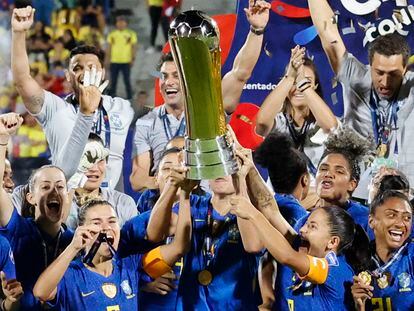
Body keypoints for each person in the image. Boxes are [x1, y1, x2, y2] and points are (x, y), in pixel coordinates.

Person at [131, 0, 271, 192]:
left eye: (176, 75)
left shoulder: (210, 106)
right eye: (164, 76)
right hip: (164, 204)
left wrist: (256, 30)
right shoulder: (147, 122)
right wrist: (173, 181)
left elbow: (241, 72)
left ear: (188, 74)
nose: (169, 82)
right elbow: (137, 180)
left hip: (209, 203)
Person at [11, 6, 134, 189]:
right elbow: (22, 81)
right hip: (68, 208)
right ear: (68, 77)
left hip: (108, 210)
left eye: (92, 67)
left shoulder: (122, 108)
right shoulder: (55, 109)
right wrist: (19, 33)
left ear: (103, 73)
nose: (84, 72)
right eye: (77, 68)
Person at [307, 0, 414, 187]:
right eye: (379, 72)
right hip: (358, 192)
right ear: (370, 65)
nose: (385, 82)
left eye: (393, 74)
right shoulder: (357, 77)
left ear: (405, 69)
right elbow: (328, 36)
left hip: (408, 193)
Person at [146, 147, 264, 310]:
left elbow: (253, 246)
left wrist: (240, 182)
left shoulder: (253, 211)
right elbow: (154, 233)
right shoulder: (193, 203)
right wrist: (174, 186)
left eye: (227, 164)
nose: (220, 171)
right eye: (214, 164)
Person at [32, 193, 192, 309]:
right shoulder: (72, 273)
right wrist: (73, 247)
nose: (106, 227)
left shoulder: (132, 266)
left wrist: (185, 196)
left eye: (112, 221)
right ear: (82, 229)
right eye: (96, 222)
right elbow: (41, 292)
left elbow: (179, 247)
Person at [230, 199, 370, 310]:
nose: (302, 229)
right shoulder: (304, 248)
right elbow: (270, 209)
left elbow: (286, 256)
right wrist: (250, 170)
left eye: (312, 226)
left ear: (332, 242)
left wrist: (253, 214)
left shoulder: (335, 269)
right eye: (306, 223)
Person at [0, 112, 73, 310]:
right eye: (46, 186)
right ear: (30, 197)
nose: (54, 191)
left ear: (68, 196)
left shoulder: (76, 242)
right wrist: (2, 139)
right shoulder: (18, 229)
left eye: (60, 186)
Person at [256, 46, 338, 174]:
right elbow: (261, 124)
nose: (298, 87)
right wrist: (290, 77)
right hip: (279, 192)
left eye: (307, 81)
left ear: (315, 86)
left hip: (316, 191)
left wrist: (302, 83)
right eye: (294, 82)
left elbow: (331, 127)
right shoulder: (278, 122)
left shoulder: (320, 122)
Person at [351, 190, 414, 311]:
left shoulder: (411, 255)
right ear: (371, 221)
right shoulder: (356, 259)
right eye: (391, 215)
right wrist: (359, 306)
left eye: (407, 218)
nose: (401, 224)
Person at [63, 134, 138, 230]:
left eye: (100, 160)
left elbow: (135, 243)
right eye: (86, 160)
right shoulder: (61, 205)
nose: (94, 168)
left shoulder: (123, 203)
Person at [106, 15, 137, 100]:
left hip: (126, 61)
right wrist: (107, 60)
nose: (120, 24)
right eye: (118, 22)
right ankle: (112, 98)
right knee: (113, 81)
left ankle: (129, 97)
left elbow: (134, 47)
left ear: (126, 23)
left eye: (122, 22)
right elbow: (109, 48)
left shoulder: (131, 34)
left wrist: (133, 58)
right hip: (114, 61)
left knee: (127, 80)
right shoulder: (112, 34)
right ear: (116, 24)